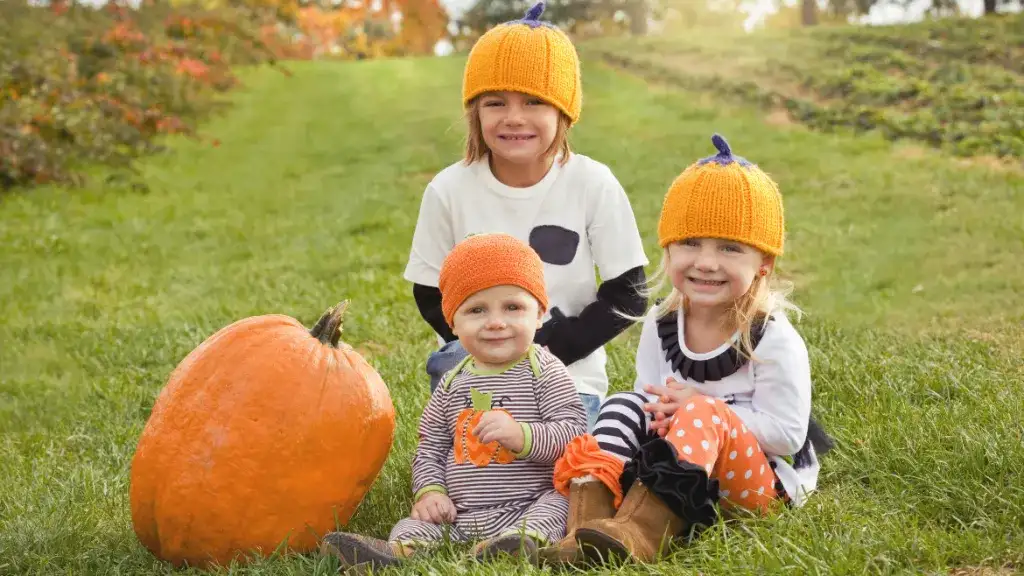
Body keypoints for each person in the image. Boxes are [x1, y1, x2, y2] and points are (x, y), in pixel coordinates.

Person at [540, 134, 835, 565]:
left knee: (702, 413)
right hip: (675, 467)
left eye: (730, 248)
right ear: (668, 248)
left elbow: (788, 434)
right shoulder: (662, 323)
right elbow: (651, 400)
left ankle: (639, 534)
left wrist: (703, 409)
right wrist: (661, 415)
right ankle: (587, 526)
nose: (706, 262)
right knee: (624, 404)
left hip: (754, 487)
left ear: (763, 265)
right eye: (690, 243)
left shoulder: (771, 337)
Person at [403, 1, 649, 432]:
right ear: (475, 112)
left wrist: (548, 350)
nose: (514, 118)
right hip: (475, 372)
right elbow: (429, 290)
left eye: (534, 102)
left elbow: (628, 294)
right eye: (495, 103)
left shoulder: (593, 183)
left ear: (563, 113)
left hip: (568, 378)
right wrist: (489, 348)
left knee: (560, 474)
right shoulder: (448, 190)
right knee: (478, 474)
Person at [320, 233, 588, 572]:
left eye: (513, 307)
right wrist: (430, 492)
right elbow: (430, 447)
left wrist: (522, 435)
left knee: (560, 503)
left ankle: (519, 543)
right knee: (417, 523)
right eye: (477, 310)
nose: (495, 321)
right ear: (453, 323)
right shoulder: (452, 384)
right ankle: (396, 553)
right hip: (460, 514)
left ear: (539, 315)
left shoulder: (545, 372)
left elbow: (574, 434)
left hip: (529, 501)